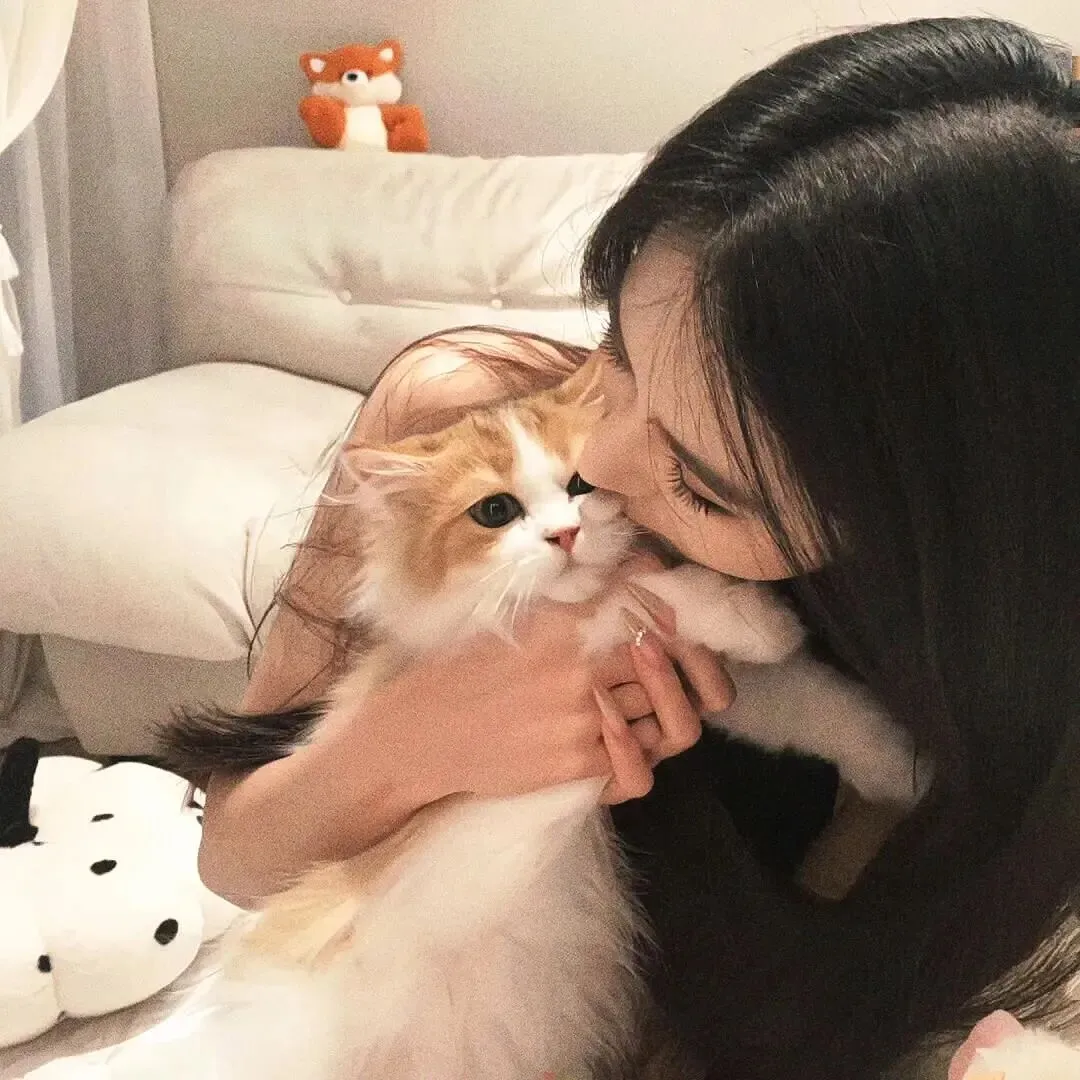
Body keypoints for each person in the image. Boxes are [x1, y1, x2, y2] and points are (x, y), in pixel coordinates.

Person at [196, 17, 1080, 1080]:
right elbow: (232, 859)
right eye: (618, 351)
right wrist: (413, 739)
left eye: (701, 480)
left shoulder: (985, 676)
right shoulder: (460, 413)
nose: (602, 462)